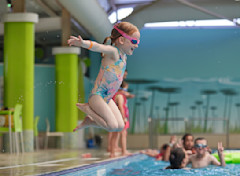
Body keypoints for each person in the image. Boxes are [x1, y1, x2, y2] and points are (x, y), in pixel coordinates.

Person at [68, 22, 140, 132]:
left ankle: (89, 121)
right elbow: (99, 47)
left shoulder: (124, 56)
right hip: (97, 96)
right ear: (121, 40)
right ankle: (88, 109)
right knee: (112, 126)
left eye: (138, 42)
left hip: (107, 98)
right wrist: (82, 43)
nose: (136, 45)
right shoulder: (113, 52)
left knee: (120, 126)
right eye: (134, 41)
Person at [110, 81, 131, 157]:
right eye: (125, 90)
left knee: (114, 135)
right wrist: (124, 118)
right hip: (120, 118)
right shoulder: (120, 96)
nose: (126, 92)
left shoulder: (115, 95)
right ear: (121, 89)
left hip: (115, 117)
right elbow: (121, 107)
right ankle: (124, 151)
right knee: (123, 134)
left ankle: (112, 153)